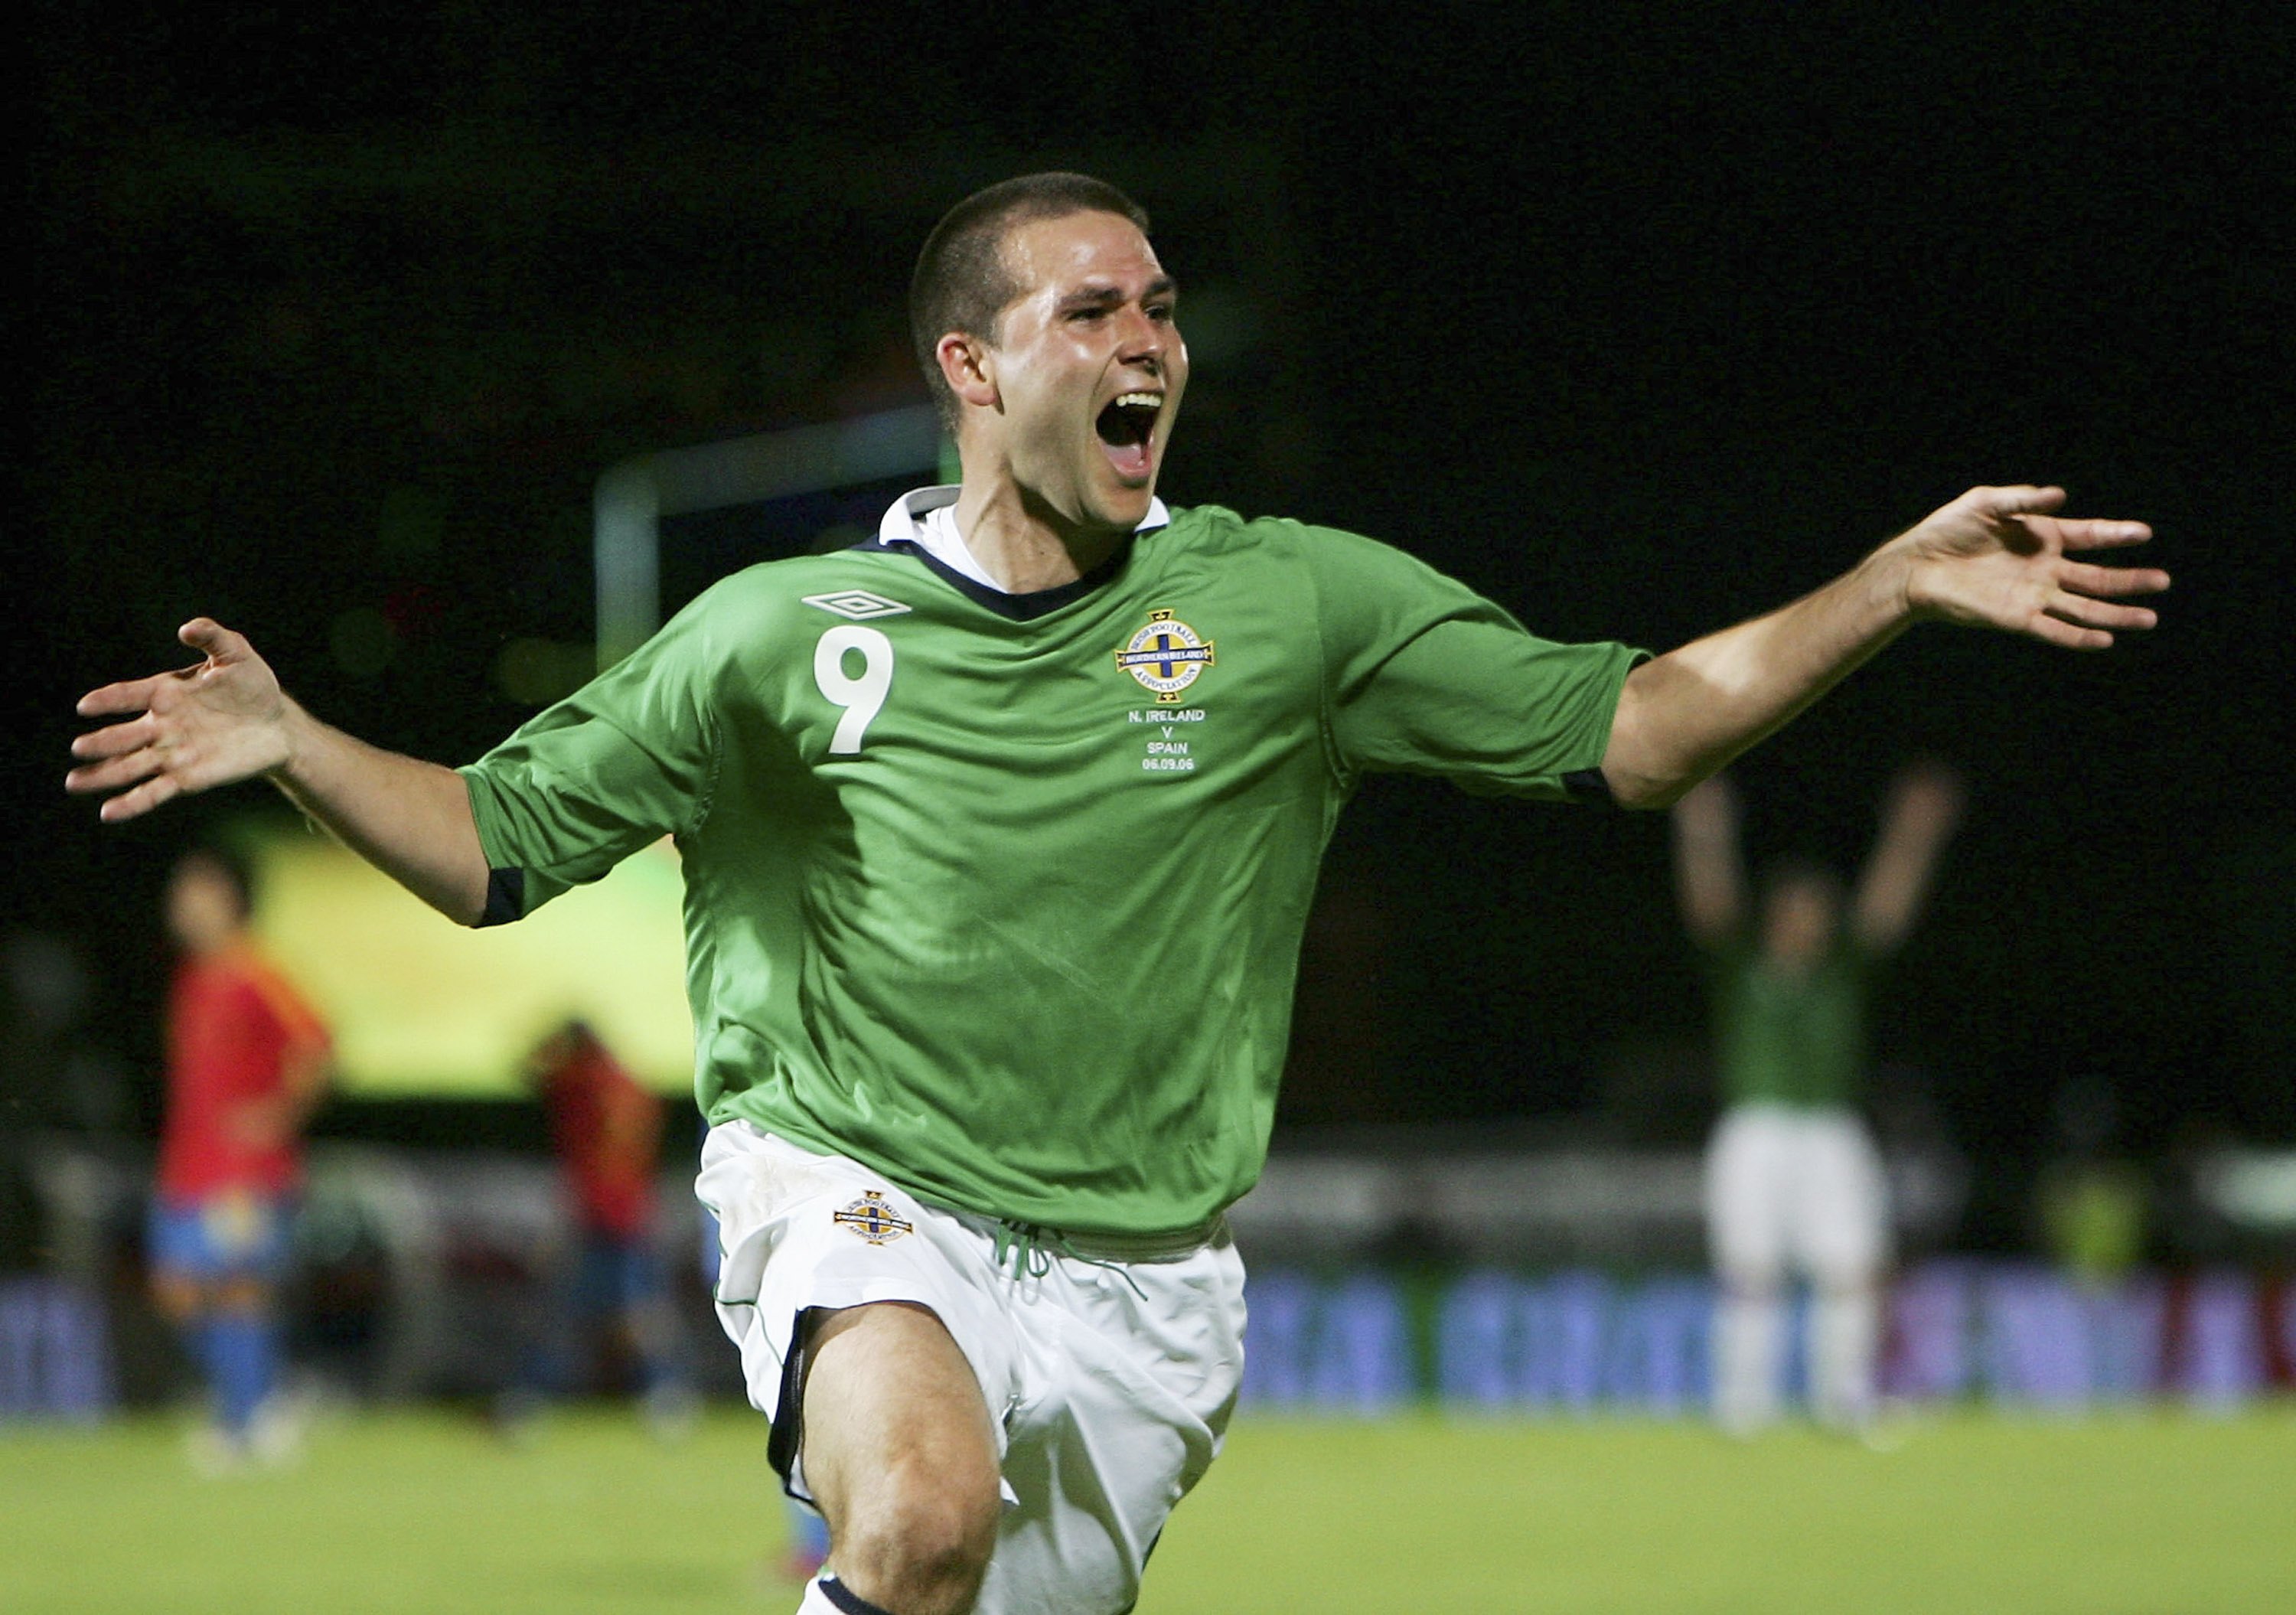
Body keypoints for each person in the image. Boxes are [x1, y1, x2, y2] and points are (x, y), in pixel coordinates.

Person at [68, 173, 2165, 1613]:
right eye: (1094, 307)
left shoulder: (1288, 600)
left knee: (949, 1583)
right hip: (853, 1174)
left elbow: (1635, 727)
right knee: (915, 1523)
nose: (1148, 335)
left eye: (1162, 304)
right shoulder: (782, 633)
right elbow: (495, 848)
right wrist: (297, 741)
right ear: (974, 369)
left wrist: (1885, 585)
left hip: (1148, 1276)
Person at [1672, 762, 1963, 1436]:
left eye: (1820, 914)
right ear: (1776, 916)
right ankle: (1744, 1408)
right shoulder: (1741, 963)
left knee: (1853, 1266)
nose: (1810, 924)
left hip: (1831, 1131)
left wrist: (1913, 834)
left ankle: (1847, 1399)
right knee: (1752, 1271)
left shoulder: (1844, 969)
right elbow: (1709, 899)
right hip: (1756, 1129)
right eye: (1798, 912)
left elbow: (1887, 906)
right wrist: (1702, 825)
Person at [147, 844, 331, 1472]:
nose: (182, 909)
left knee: (237, 1286)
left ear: (228, 902)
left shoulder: (257, 971)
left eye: (195, 896)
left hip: (243, 1172)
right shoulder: (193, 978)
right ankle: (264, 1395)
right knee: (175, 1289)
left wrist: (276, 1116)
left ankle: (244, 1419)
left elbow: (315, 1044)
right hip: (187, 1166)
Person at [506, 1018, 693, 1437]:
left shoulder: (587, 1082)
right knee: (628, 1313)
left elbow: (524, 1068)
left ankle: (528, 1403)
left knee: (579, 1313)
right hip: (625, 1213)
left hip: (605, 1216)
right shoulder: (623, 1083)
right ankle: (666, 1397)